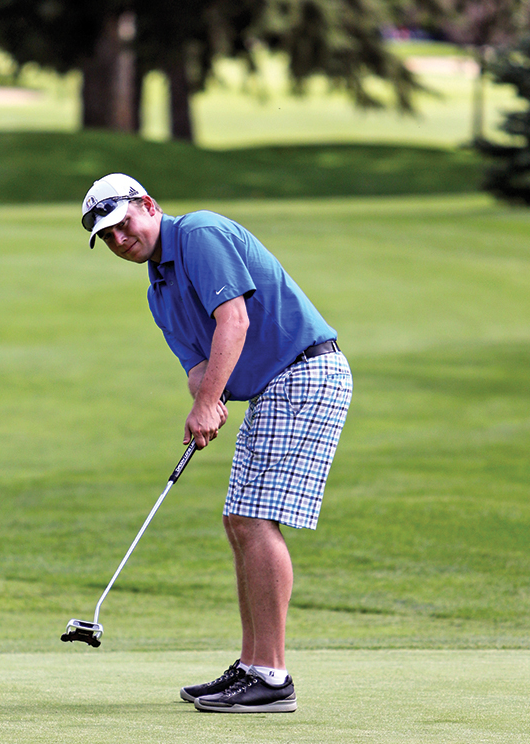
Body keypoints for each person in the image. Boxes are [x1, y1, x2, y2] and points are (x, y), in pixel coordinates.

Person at [81, 173, 352, 714]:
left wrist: (208, 403)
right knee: (239, 521)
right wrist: (205, 400)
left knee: (253, 520)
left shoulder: (200, 233)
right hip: (277, 386)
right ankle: (253, 667)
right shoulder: (158, 290)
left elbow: (235, 318)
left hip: (304, 374)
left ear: (148, 206)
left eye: (121, 224)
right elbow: (199, 368)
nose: (118, 239)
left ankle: (271, 677)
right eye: (105, 236)